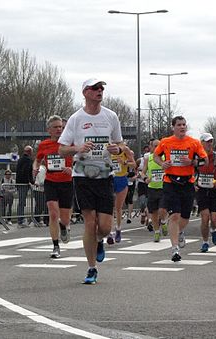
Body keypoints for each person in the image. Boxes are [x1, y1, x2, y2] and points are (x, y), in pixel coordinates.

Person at [58, 78, 132, 284]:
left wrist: (118, 149)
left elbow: (120, 143)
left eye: (102, 88)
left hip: (105, 176)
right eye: (95, 88)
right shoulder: (76, 118)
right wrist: (77, 149)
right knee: (90, 223)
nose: (100, 91)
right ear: (85, 93)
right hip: (82, 177)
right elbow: (62, 148)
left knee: (105, 227)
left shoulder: (111, 116)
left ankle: (100, 241)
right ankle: (92, 268)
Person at [153, 116, 207, 262]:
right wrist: (162, 163)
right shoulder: (166, 142)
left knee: (185, 217)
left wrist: (193, 162)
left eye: (184, 124)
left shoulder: (194, 142)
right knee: (174, 216)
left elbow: (204, 160)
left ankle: (180, 231)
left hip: (187, 183)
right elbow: (155, 156)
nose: (182, 127)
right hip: (170, 181)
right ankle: (174, 249)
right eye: (179, 125)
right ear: (173, 127)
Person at [33, 115, 74, 258]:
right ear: (49, 130)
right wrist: (35, 168)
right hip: (51, 181)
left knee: (65, 219)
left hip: (67, 182)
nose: (59, 129)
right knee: (53, 213)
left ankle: (64, 226)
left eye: (61, 127)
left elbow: (80, 159)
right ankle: (55, 246)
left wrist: (72, 169)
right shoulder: (43, 145)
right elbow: (37, 160)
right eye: (56, 127)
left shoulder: (69, 143)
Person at [142, 138, 168, 242]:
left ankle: (163, 222)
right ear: (151, 147)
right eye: (155, 146)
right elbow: (143, 172)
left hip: (163, 188)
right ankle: (157, 232)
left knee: (162, 210)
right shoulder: (149, 158)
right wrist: (145, 178)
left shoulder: (165, 157)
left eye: (159, 145)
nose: (157, 148)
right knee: (153, 212)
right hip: (152, 188)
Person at [108, 147, 134, 244]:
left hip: (121, 179)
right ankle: (110, 233)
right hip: (110, 179)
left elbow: (134, 164)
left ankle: (118, 229)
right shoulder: (108, 148)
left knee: (118, 207)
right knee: (109, 207)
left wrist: (124, 162)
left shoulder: (125, 149)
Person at [16, 145, 34, 227]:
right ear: (29, 152)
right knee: (22, 202)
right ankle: (20, 220)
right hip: (24, 183)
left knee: (21, 201)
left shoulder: (20, 160)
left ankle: (20, 219)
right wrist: (30, 181)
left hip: (19, 182)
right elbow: (27, 171)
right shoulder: (28, 160)